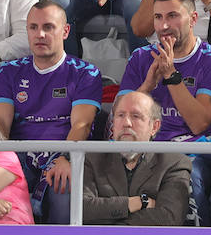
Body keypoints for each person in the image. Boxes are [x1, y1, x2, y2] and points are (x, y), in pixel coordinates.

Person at [120, 0, 211, 224]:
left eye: (172, 16)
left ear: (193, 19)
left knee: (184, 177)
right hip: (145, 152)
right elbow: (120, 124)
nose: (163, 26)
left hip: (194, 154)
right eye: (158, 17)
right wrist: (146, 89)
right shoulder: (141, 59)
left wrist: (172, 77)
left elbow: (198, 123)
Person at [0, 0, 102, 223]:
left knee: (64, 186)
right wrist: (1, 161)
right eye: (33, 27)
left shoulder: (86, 73)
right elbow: (0, 122)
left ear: (65, 31)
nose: (39, 34)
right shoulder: (7, 71)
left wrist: (66, 157)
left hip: (61, 153)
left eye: (48, 27)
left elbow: (81, 125)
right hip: (17, 154)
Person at [82, 90, 192, 226]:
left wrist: (110, 220)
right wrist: (137, 202)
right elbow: (82, 210)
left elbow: (168, 218)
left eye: (136, 116)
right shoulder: (92, 159)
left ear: (154, 127)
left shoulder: (174, 163)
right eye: (120, 115)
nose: (126, 123)